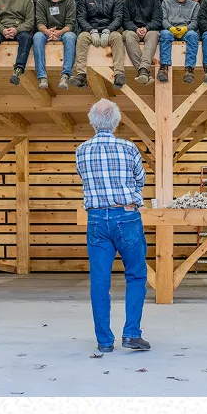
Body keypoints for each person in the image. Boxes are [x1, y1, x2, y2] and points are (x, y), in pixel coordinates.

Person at [75, 98, 150, 355]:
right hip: (126, 216)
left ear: (92, 122)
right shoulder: (128, 149)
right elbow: (140, 179)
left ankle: (104, 341)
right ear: (116, 121)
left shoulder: (82, 150)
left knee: (99, 280)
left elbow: (84, 178)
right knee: (137, 275)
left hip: (96, 218)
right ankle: (131, 334)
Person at [77, 0, 127, 88]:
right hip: (90, 31)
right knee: (82, 37)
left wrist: (108, 30)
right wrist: (90, 30)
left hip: (109, 31)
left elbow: (118, 18)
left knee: (118, 37)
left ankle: (119, 73)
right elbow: (80, 18)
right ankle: (81, 75)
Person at [30, 0, 79, 90]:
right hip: (47, 32)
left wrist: (59, 32)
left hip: (63, 32)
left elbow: (70, 24)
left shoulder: (70, 2)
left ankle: (66, 75)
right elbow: (40, 23)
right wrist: (47, 31)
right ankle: (42, 77)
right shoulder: (41, 2)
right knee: (37, 36)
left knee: (70, 36)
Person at [159, 0, 204, 86]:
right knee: (164, 34)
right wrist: (171, 28)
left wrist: (185, 29)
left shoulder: (195, 5)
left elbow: (195, 22)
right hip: (170, 30)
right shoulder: (165, 3)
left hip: (187, 31)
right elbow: (163, 19)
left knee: (193, 35)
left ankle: (189, 69)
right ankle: (164, 67)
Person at [121, 0, 162, 86]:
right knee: (128, 35)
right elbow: (125, 21)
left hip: (149, 32)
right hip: (132, 31)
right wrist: (135, 29)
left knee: (154, 34)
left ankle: (142, 71)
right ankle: (144, 71)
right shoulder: (126, 1)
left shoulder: (155, 1)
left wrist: (147, 28)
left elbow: (157, 20)